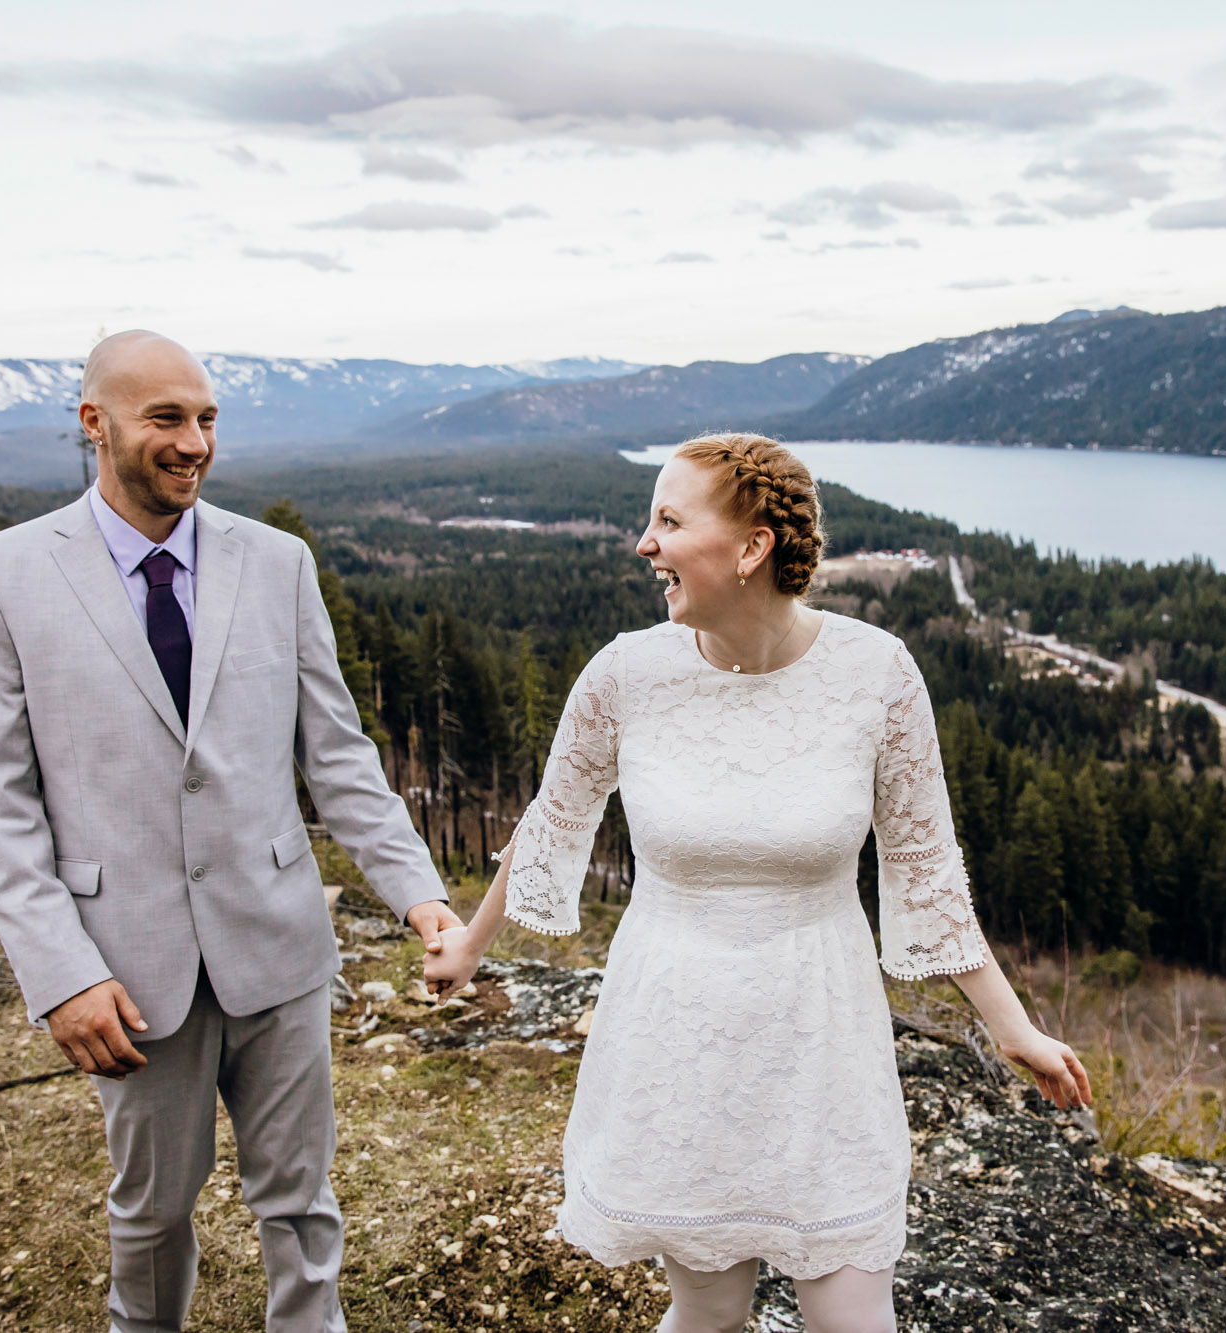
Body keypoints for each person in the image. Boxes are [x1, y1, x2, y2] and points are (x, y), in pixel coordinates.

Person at [423, 433, 1092, 1333]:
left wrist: (1012, 1027)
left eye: (666, 520)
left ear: (751, 549)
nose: (643, 544)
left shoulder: (878, 674)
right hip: (674, 1029)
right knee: (707, 1312)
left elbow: (926, 863)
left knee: (854, 1314)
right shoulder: (626, 672)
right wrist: (469, 943)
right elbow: (554, 819)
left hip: (821, 1034)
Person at [0, 330, 461, 1333]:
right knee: (148, 1217)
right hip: (123, 974)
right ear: (95, 423)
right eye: (166, 419)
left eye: (207, 418)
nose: (193, 443)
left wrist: (420, 894)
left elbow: (339, 754)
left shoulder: (277, 562)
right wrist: (59, 972)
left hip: (279, 947)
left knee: (302, 1207)